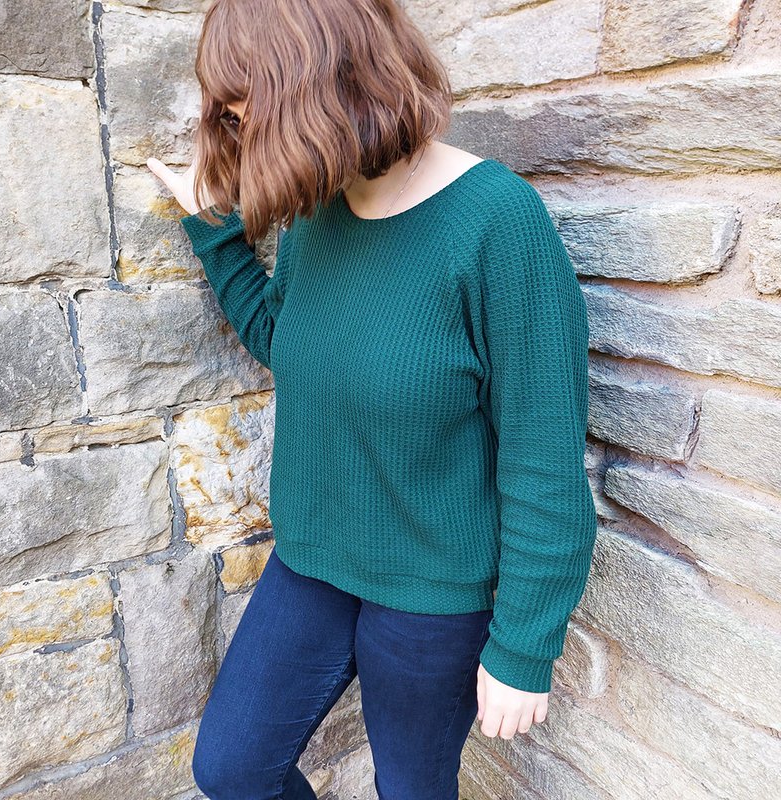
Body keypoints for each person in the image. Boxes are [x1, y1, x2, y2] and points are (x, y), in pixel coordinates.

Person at [148, 1, 598, 798]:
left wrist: (525, 646)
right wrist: (214, 229)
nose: (238, 126)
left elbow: (544, 457)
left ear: (325, 81)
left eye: (248, 106)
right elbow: (291, 343)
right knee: (231, 769)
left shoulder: (497, 224)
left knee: (411, 789)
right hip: (312, 562)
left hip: (432, 594)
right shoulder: (317, 211)